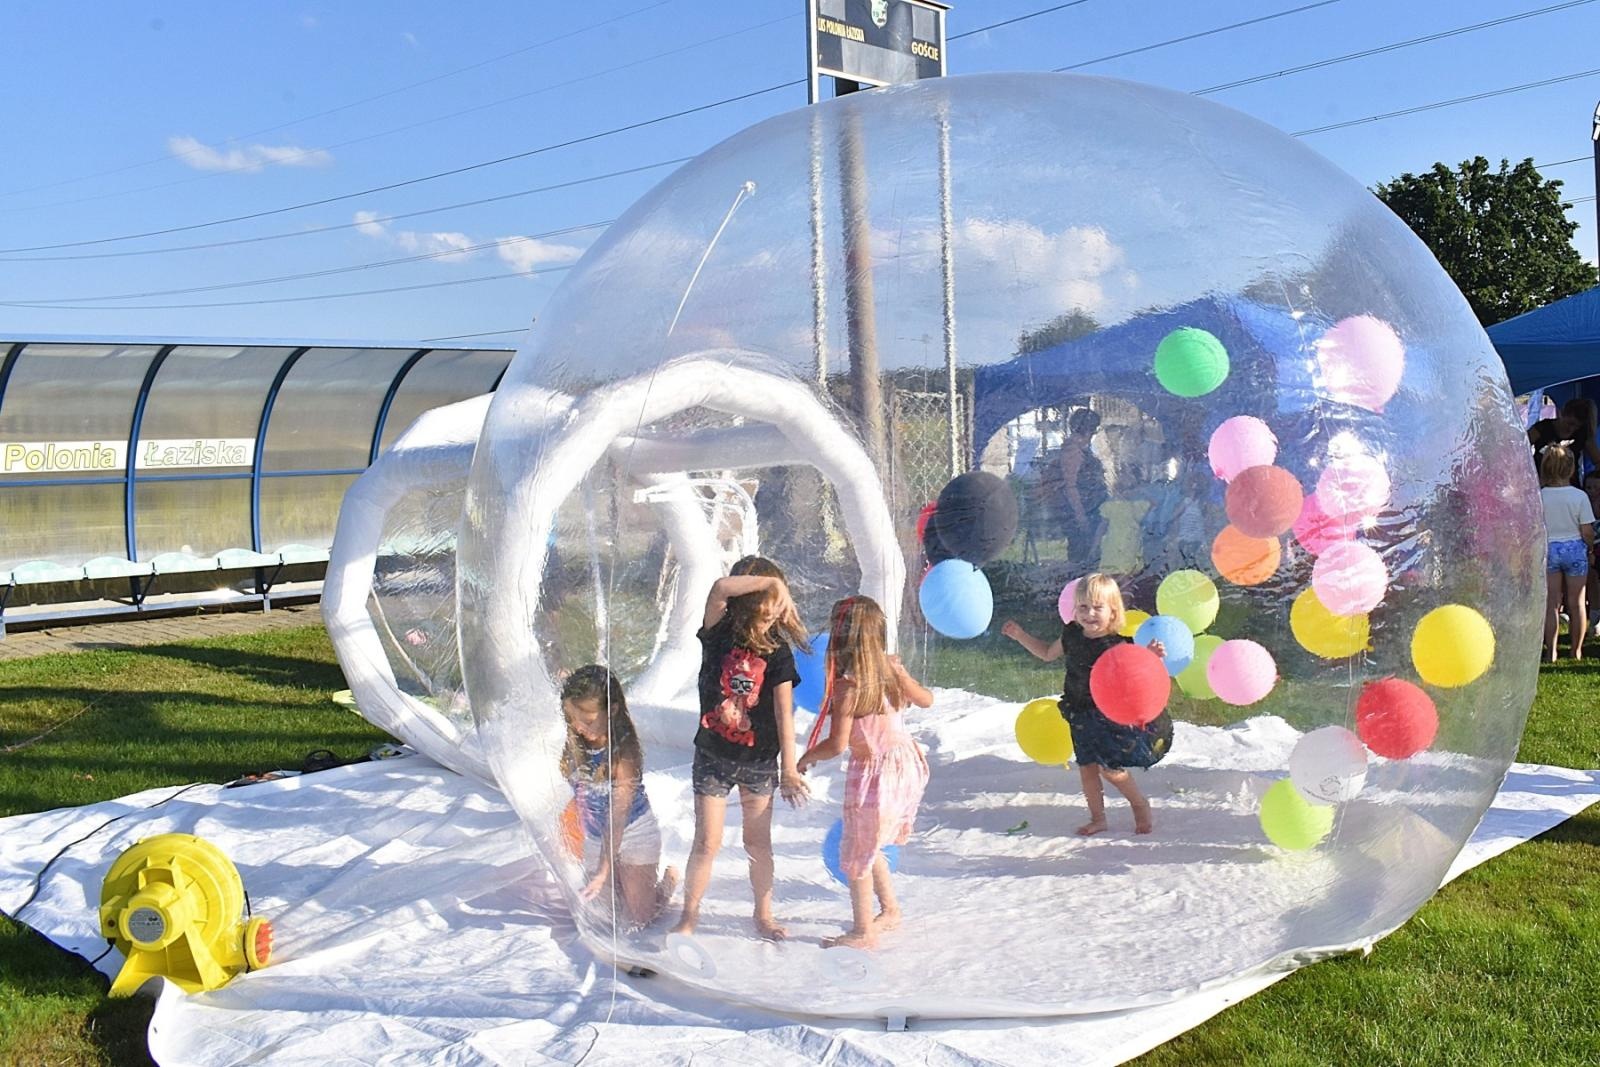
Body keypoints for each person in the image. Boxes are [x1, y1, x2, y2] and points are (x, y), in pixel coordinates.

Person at [672, 556, 811, 940]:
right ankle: (689, 913)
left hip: (759, 763)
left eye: (775, 613)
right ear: (746, 605)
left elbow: (785, 715)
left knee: (757, 843)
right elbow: (719, 588)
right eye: (764, 611)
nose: (770, 620)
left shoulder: (778, 653)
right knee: (707, 841)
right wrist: (774, 582)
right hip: (713, 758)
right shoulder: (719, 633)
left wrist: (790, 769)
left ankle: (763, 914)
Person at [797, 595, 933, 950]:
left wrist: (807, 757)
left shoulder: (849, 687)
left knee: (857, 851)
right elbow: (927, 700)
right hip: (904, 768)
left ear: (838, 641)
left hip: (875, 776)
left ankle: (861, 931)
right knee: (870, 846)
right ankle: (890, 910)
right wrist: (901, 672)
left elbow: (838, 744)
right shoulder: (889, 670)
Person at [1000, 573, 1172, 836]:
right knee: (1087, 769)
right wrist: (1020, 636)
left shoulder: (1117, 645)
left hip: (1106, 716)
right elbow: (1047, 653)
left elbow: (1136, 673)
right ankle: (1098, 818)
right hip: (1078, 712)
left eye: (1097, 607)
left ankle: (1139, 805)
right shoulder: (1072, 634)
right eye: (1083, 607)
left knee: (1110, 769)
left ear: (1113, 612)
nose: (1089, 613)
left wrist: (1150, 656)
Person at [560, 665, 678, 928]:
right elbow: (577, 792)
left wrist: (603, 870)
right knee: (605, 916)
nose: (579, 727)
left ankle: (667, 883)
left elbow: (619, 812)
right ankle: (623, 881)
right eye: (573, 719)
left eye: (587, 721)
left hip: (633, 832)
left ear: (612, 710)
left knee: (638, 918)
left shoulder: (624, 752)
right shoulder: (577, 743)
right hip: (595, 838)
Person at [1538, 446, 1595, 661]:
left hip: (1550, 548)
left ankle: (1551, 650)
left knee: (1551, 603)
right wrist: (1589, 548)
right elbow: (1587, 530)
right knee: (1577, 602)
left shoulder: (1540, 496)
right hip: (1574, 549)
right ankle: (1576, 650)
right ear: (1571, 469)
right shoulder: (1579, 496)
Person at [1057, 407, 1109, 566]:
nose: (1092, 436)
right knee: (1082, 553)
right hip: (1083, 511)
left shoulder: (1081, 449)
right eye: (1092, 431)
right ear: (1087, 430)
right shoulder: (1072, 451)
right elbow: (1070, 486)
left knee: (1092, 552)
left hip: (1092, 510)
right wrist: (1081, 515)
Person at [1561, 397, 1600, 486]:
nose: (1571, 429)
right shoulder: (1542, 429)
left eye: (1577, 426)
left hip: (1572, 486)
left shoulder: (1582, 435)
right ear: (1562, 413)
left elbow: (1598, 462)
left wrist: (1593, 483)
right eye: (1570, 423)